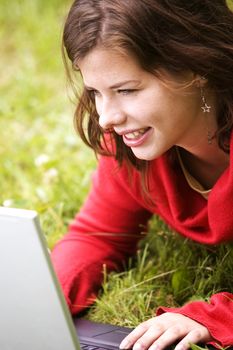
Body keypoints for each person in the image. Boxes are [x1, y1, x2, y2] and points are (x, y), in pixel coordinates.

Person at [51, 1, 233, 349]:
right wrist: (34, 300)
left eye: (127, 90)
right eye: (95, 93)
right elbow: (98, 235)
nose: (106, 117)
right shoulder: (132, 146)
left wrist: (214, 316)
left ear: (198, 67)